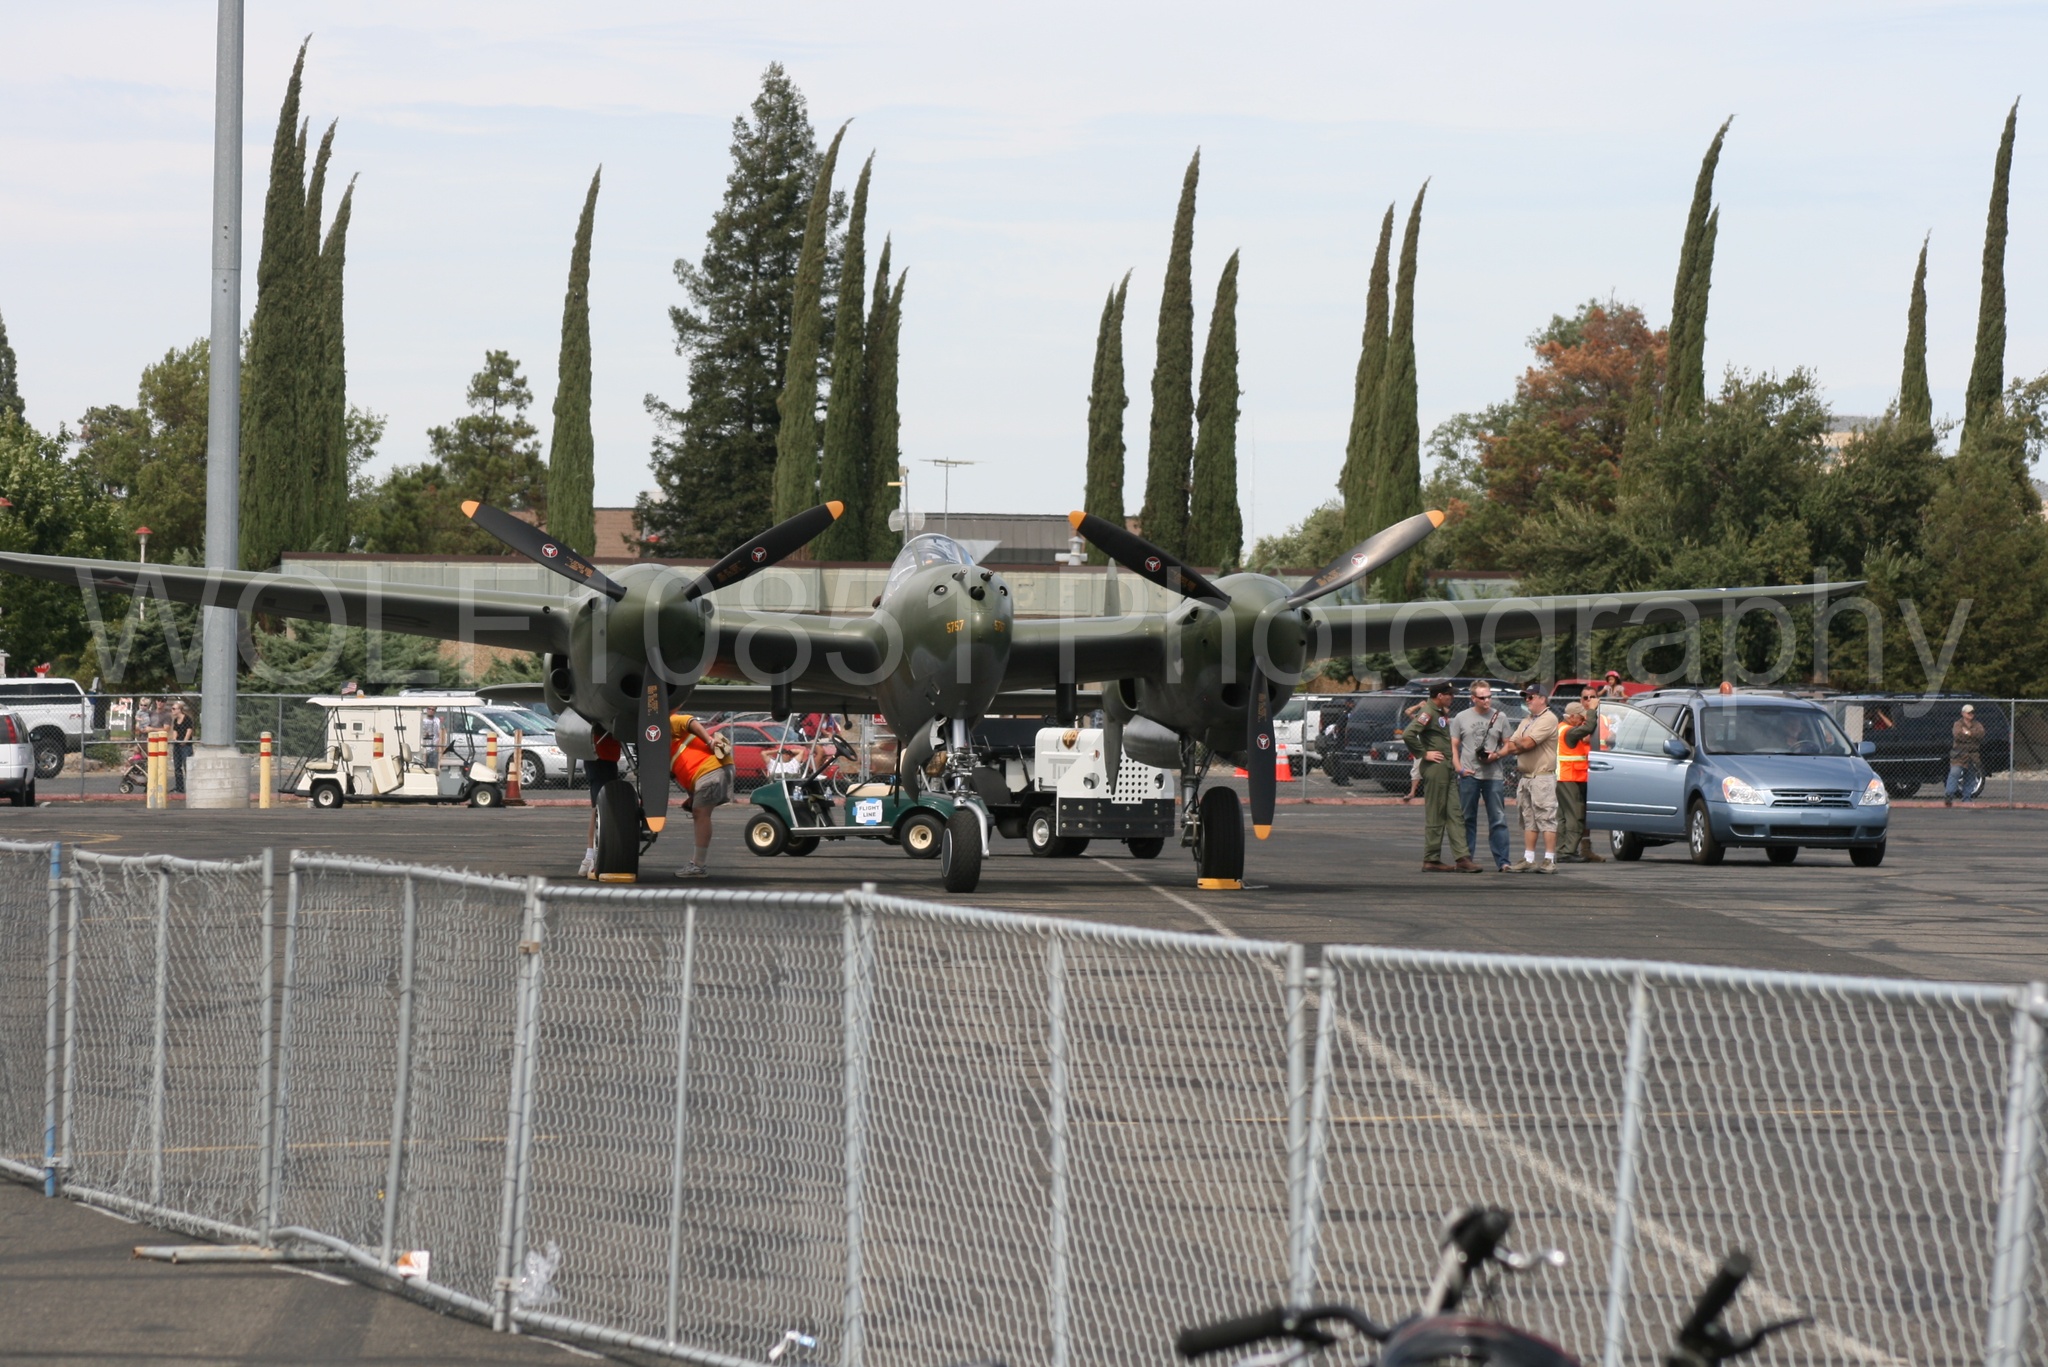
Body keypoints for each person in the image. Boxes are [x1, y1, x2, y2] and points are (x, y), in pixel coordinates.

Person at [1401, 682, 1481, 872]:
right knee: (1436, 813)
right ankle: (1431, 858)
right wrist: (1424, 753)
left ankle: (1462, 857)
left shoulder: (1438, 712)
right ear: (1439, 695)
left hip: (1446, 768)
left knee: (1455, 812)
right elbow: (1408, 734)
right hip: (1436, 768)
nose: (1451, 697)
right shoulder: (1428, 712)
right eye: (1448, 694)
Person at [1450, 681, 1514, 872]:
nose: (1487, 700)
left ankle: (1503, 861)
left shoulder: (1500, 717)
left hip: (1493, 775)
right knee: (1467, 817)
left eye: (1489, 696)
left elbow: (1508, 745)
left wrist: (1496, 755)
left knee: (1498, 818)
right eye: (1482, 697)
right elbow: (1453, 745)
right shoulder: (1461, 718)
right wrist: (1459, 768)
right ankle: (1466, 859)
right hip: (1470, 774)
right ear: (1473, 698)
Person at [1497, 684, 1561, 873]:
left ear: (1542, 699)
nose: (1527, 700)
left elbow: (1526, 743)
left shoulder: (1548, 719)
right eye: (1525, 697)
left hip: (1542, 776)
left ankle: (1549, 860)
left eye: (1531, 697)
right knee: (1528, 818)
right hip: (1526, 777)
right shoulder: (1527, 720)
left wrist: (1517, 745)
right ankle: (1529, 858)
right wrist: (1514, 746)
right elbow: (1510, 744)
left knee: (1546, 816)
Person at [669, 713, 735, 877]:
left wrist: (709, 741)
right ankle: (698, 865)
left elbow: (689, 721)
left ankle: (698, 865)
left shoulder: (668, 721)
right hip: (711, 771)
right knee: (700, 812)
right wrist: (692, 796)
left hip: (710, 770)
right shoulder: (665, 745)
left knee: (701, 814)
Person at [1556, 699, 1605, 863]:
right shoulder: (1569, 731)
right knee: (1575, 814)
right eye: (1580, 717)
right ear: (1572, 717)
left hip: (1562, 777)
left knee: (1563, 816)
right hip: (1569, 777)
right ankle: (1568, 851)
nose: (1583, 720)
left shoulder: (1561, 728)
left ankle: (1563, 849)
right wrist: (1592, 711)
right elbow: (1588, 728)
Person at [577, 724, 625, 878]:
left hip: (605, 757)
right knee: (600, 806)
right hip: (599, 756)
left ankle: (590, 857)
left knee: (599, 805)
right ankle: (593, 856)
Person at [1946, 703, 1986, 806]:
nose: (1971, 714)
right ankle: (1949, 795)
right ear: (1963, 713)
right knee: (1955, 773)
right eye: (1968, 713)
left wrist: (1968, 733)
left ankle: (1967, 798)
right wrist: (1971, 735)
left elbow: (1981, 734)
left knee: (1970, 777)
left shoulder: (1977, 724)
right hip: (1959, 755)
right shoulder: (1958, 724)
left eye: (1972, 712)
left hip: (1973, 756)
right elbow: (1958, 735)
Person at [168, 700, 194, 795]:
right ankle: (179, 787)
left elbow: (189, 730)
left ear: (180, 710)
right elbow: (175, 730)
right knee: (177, 766)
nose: (172, 710)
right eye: (172, 708)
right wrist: (175, 739)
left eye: (174, 709)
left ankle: (190, 787)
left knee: (187, 766)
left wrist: (185, 740)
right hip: (177, 745)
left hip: (186, 746)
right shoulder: (175, 720)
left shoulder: (187, 719)